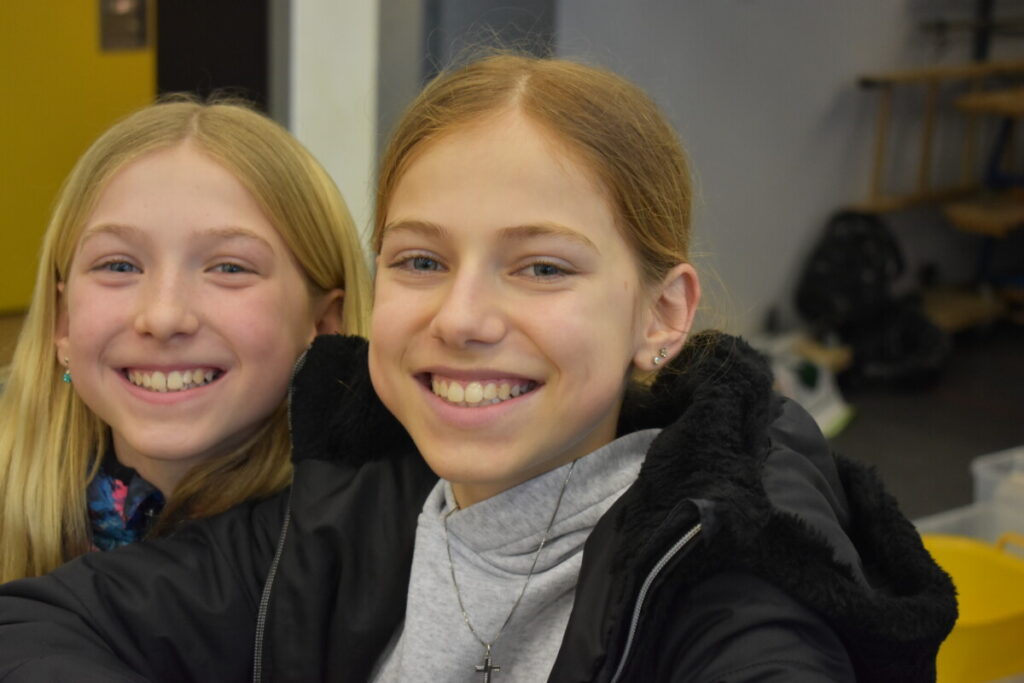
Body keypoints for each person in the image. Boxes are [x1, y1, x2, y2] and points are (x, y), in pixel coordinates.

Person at [0, 56, 955, 682]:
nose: (461, 317)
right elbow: (42, 621)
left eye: (541, 267)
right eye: (421, 259)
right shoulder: (357, 507)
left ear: (662, 313)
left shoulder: (729, 576)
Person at [0, 97, 371, 583]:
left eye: (229, 268)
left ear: (324, 325)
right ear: (63, 322)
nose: (163, 316)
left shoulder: (380, 543)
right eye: (119, 265)